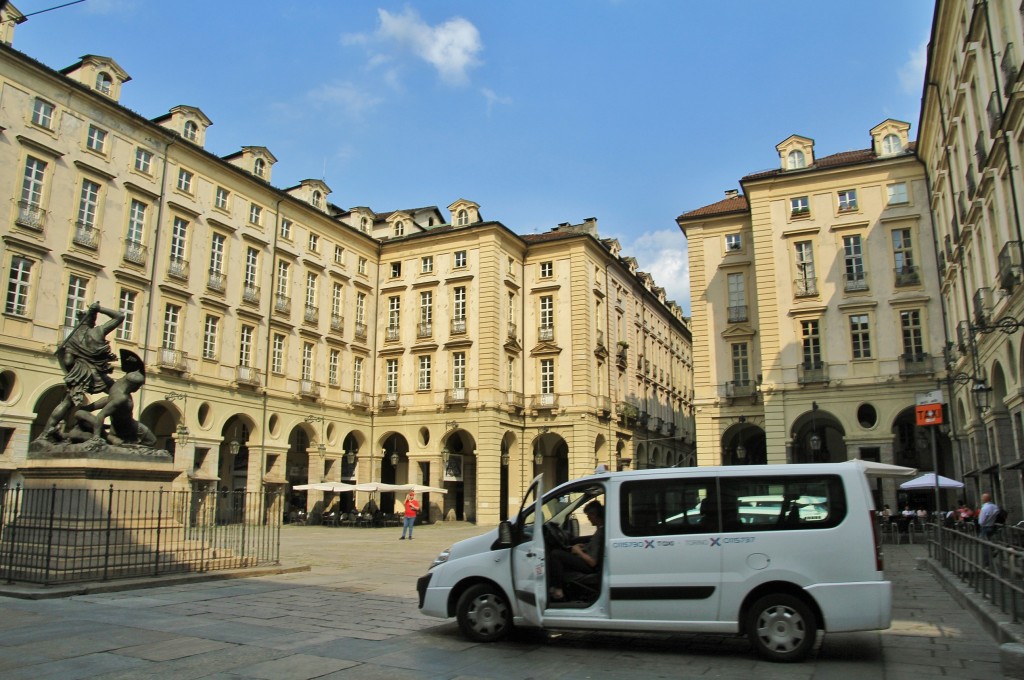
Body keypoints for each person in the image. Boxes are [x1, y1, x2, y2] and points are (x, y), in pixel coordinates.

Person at [39, 302, 125, 442]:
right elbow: (120, 316)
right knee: (117, 394)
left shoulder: (73, 338)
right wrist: (100, 309)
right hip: (97, 375)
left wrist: (75, 368)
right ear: (92, 319)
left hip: (79, 373)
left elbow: (67, 361)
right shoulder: (98, 331)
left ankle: (46, 431)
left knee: (67, 402)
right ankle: (98, 418)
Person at [547, 500, 604, 601]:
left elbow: (592, 562)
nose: (588, 518)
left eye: (588, 515)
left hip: (589, 566)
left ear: (594, 514)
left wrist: (578, 551)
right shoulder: (600, 529)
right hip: (586, 560)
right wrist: (583, 547)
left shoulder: (601, 533)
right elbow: (593, 547)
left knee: (555, 554)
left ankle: (558, 590)